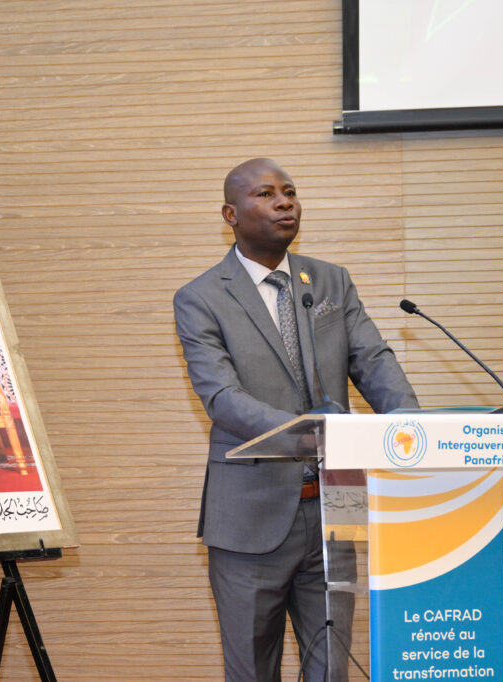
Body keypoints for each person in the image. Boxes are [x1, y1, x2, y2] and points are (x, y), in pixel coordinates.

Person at [173, 158, 418, 681]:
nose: (285, 202)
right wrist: (311, 431)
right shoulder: (201, 297)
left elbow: (373, 361)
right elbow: (222, 398)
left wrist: (412, 427)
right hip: (250, 518)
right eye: (265, 194)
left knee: (332, 669)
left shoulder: (329, 281)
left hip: (336, 506)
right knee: (252, 671)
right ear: (230, 214)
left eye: (289, 191)